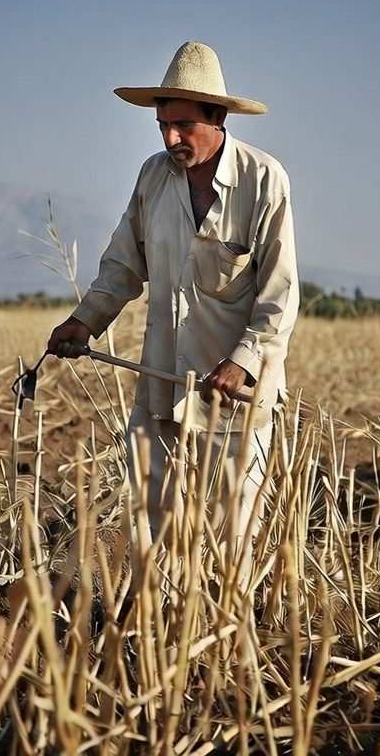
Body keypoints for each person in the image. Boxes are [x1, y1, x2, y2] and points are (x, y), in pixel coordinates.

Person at [45, 41, 298, 579]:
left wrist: (244, 360)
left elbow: (280, 294)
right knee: (151, 534)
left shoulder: (263, 181)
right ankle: (151, 644)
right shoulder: (153, 177)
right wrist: (84, 321)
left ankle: (227, 648)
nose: (170, 138)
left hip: (237, 405)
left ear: (218, 118)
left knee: (232, 540)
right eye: (162, 125)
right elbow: (122, 264)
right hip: (162, 387)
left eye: (183, 125)